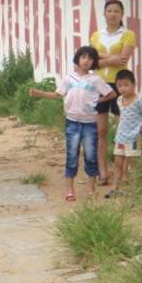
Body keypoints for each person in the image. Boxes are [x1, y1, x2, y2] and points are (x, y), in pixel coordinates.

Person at [29, 46, 116, 201]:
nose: (86, 61)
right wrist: (40, 93)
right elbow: (57, 94)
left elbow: (111, 94)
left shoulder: (95, 80)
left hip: (90, 124)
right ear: (77, 59)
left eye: (90, 58)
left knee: (91, 156)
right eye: (83, 57)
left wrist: (98, 101)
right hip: (72, 123)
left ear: (94, 62)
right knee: (72, 156)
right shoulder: (69, 78)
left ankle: (91, 188)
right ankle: (69, 189)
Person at [90, 0, 137, 185]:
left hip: (120, 86)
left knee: (123, 130)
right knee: (101, 131)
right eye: (109, 10)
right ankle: (103, 171)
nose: (112, 14)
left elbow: (123, 60)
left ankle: (124, 171)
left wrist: (101, 58)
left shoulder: (128, 34)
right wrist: (112, 59)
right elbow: (92, 63)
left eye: (116, 11)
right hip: (100, 86)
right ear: (104, 14)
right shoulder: (96, 35)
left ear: (122, 14)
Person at [105, 69, 142, 199]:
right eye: (119, 85)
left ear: (134, 85)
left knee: (132, 163)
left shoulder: (139, 101)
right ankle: (114, 187)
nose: (123, 88)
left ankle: (135, 188)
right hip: (120, 137)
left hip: (133, 137)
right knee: (118, 163)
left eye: (126, 85)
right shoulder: (119, 100)